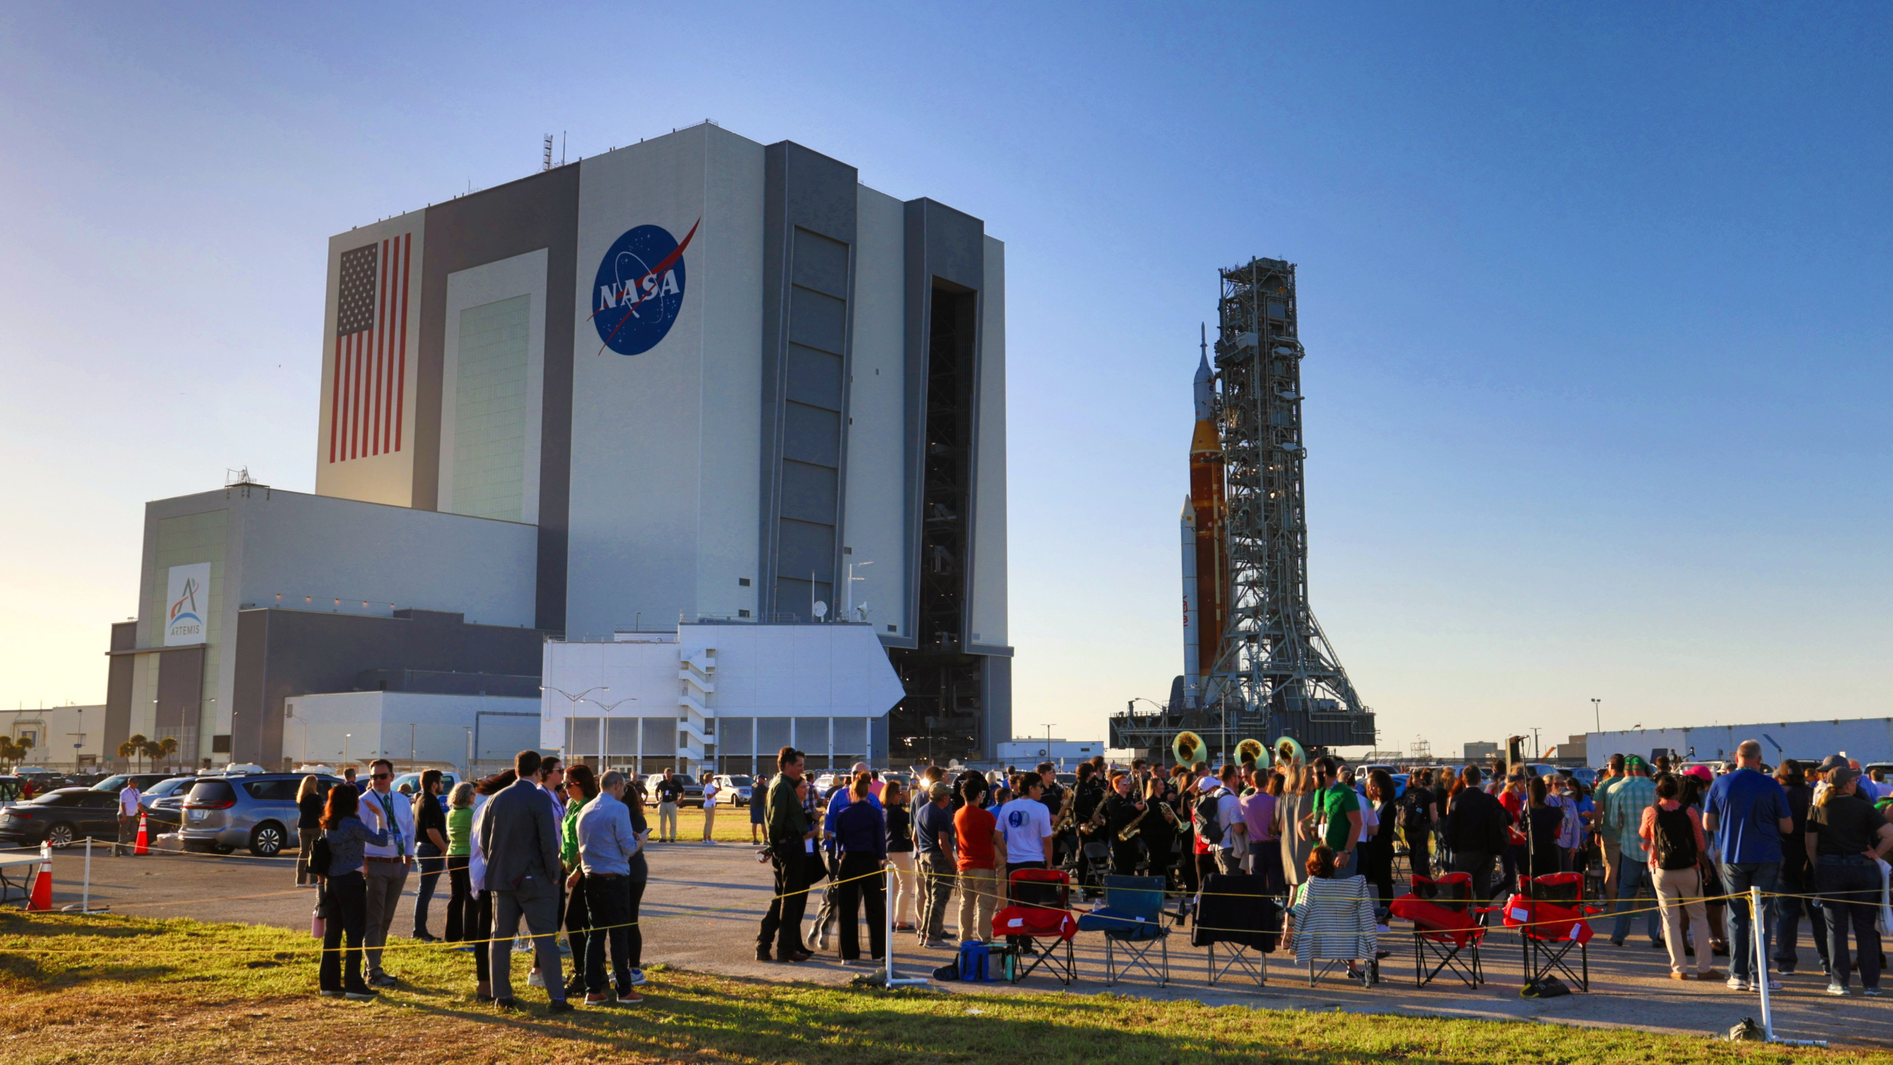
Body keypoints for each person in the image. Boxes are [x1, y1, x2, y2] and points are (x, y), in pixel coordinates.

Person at [477, 750, 572, 1012]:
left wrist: (496, 867)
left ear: (516, 769)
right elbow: (547, 840)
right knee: (545, 940)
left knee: (500, 939)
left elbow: (484, 842)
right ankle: (557, 998)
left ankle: (502, 995)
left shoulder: (495, 798)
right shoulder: (538, 797)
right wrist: (553, 874)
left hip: (501, 879)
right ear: (538, 772)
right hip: (535, 880)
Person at [1702, 739, 1793, 992]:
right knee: (1762, 917)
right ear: (1759, 760)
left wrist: (1732, 824)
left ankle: (1738, 974)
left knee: (1736, 915)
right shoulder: (1771, 784)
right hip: (1767, 855)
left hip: (1733, 855)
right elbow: (1788, 826)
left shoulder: (1720, 783)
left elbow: (1708, 824)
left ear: (1738, 758)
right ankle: (1760, 977)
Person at [1807, 765, 1893, 996]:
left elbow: (1810, 844)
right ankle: (1871, 984)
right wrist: (1876, 853)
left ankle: (1840, 982)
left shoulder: (1817, 809)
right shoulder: (1865, 808)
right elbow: (1889, 834)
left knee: (1836, 929)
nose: (1856, 784)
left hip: (1830, 868)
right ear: (1847, 784)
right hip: (1862, 869)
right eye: (1854, 781)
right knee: (1865, 928)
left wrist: (1820, 865)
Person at [575, 769, 648, 1005]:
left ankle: (593, 989)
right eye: (624, 788)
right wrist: (640, 841)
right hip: (614, 878)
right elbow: (628, 848)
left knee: (595, 935)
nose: (624, 792)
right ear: (617, 785)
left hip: (591, 877)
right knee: (619, 934)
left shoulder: (585, 809)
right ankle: (624, 989)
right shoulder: (619, 808)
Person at [1641, 773, 1719, 981]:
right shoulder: (1690, 812)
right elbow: (1700, 844)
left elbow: (1643, 835)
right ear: (1677, 792)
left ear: (1657, 792)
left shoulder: (1651, 812)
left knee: (1670, 919)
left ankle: (1679, 969)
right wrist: (1706, 867)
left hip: (1661, 869)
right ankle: (1704, 968)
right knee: (1699, 918)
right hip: (1689, 868)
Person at [315, 783, 389, 1001]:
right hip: (351, 880)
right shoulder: (352, 823)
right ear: (352, 802)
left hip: (333, 881)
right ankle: (354, 985)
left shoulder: (329, 824)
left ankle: (329, 983)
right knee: (355, 932)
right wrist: (380, 816)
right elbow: (381, 840)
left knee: (333, 934)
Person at [358, 758, 415, 989]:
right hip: (374, 865)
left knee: (386, 918)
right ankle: (373, 971)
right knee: (374, 917)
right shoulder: (364, 802)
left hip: (397, 865)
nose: (378, 781)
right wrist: (364, 864)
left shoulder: (401, 800)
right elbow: (358, 835)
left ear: (392, 777)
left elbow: (409, 831)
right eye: (374, 777)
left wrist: (407, 862)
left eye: (382, 776)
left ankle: (372, 964)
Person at [756, 747, 816, 963]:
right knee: (789, 901)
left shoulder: (782, 785)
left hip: (787, 844)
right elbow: (775, 822)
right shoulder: (782, 786)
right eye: (799, 765)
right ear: (788, 765)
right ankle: (785, 949)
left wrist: (809, 815)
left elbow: (788, 817)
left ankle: (764, 944)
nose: (802, 770)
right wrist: (773, 847)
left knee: (781, 899)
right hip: (789, 846)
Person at [1772, 760, 1828, 976]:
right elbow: (1821, 828)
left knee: (1787, 915)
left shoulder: (1777, 795)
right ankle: (1827, 961)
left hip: (1785, 862)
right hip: (1813, 861)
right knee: (1819, 915)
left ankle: (1786, 963)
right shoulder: (1812, 795)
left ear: (1781, 775)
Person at [832, 772, 889, 964]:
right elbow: (880, 840)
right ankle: (879, 952)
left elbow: (839, 841)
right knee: (876, 909)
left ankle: (848, 954)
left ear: (851, 793)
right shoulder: (875, 813)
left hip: (849, 860)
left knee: (847, 909)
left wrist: (840, 858)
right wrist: (881, 859)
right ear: (868, 792)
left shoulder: (842, 814)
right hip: (870, 860)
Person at [467, 769, 514, 1002]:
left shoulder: (483, 807)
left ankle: (487, 985)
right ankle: (486, 986)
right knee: (488, 932)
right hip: (490, 876)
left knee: (486, 931)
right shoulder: (495, 808)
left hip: (483, 875)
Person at [1607, 756, 1661, 948]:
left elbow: (1614, 822)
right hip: (1655, 849)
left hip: (1630, 848)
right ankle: (1657, 936)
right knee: (1657, 894)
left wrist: (1625, 834)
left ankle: (1619, 935)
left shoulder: (1616, 789)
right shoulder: (1655, 788)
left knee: (1626, 891)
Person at [557, 765, 599, 1000]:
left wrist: (576, 870)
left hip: (586, 871)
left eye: (568, 784)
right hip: (570, 869)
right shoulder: (571, 805)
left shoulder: (589, 807)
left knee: (573, 920)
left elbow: (589, 844)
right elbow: (566, 837)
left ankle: (583, 973)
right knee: (581, 922)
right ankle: (592, 971)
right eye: (563, 783)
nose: (564, 788)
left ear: (582, 785)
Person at [1443, 766, 1507, 901]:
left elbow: (1450, 828)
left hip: (1464, 850)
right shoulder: (1489, 800)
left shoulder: (1457, 800)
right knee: (1483, 891)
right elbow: (1508, 817)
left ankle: (1465, 920)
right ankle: (1482, 920)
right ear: (1479, 779)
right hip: (1486, 850)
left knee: (1462, 892)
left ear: (1463, 780)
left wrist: (1454, 849)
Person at [954, 777, 1001, 942]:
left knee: (966, 902)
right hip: (984, 864)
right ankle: (984, 936)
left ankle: (965, 936)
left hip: (964, 863)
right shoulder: (985, 816)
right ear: (980, 795)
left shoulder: (957, 814)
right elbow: (997, 837)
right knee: (985, 903)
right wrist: (1006, 854)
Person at [1299, 757, 1361, 879]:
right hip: (1322, 853)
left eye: (1314, 774)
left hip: (1340, 853)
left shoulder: (1345, 793)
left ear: (1324, 773)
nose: (1312, 777)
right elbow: (1319, 813)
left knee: (1341, 893)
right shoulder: (1321, 792)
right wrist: (1303, 822)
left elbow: (1357, 823)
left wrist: (1346, 852)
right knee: (1322, 894)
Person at [912, 780, 957, 947]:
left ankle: (925, 932)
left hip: (924, 855)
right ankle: (933, 937)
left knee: (930, 896)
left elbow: (914, 838)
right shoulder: (941, 814)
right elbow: (943, 841)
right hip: (939, 858)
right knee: (940, 898)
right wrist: (953, 864)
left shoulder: (921, 811)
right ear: (944, 797)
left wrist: (923, 851)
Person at [407, 769, 449, 941]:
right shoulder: (430, 801)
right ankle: (419, 931)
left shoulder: (421, 799)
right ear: (434, 784)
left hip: (424, 848)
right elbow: (431, 830)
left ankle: (420, 929)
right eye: (441, 782)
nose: (443, 785)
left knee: (425, 891)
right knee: (425, 892)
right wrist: (445, 849)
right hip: (430, 849)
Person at [1358, 769, 1398, 915]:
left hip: (1381, 849)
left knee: (1384, 883)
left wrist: (1363, 829)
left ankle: (1387, 913)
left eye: (1374, 785)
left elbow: (1383, 830)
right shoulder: (1370, 803)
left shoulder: (1389, 806)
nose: (1371, 789)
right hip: (1368, 848)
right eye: (1369, 786)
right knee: (1363, 882)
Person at [998, 773, 1055, 874]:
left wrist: (1006, 855)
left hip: (1013, 863)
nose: (1042, 790)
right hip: (1035, 860)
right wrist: (1049, 863)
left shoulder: (1007, 807)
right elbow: (1047, 840)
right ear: (1031, 788)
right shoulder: (1042, 808)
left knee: (1015, 890)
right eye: (1040, 786)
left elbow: (997, 836)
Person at [1243, 768, 1285, 896]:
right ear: (1267, 782)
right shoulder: (1277, 801)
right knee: (1275, 886)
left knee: (1257, 887)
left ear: (1253, 783)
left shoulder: (1245, 801)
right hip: (1274, 846)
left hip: (1255, 847)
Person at [883, 780, 917, 932]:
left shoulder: (887, 809)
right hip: (898, 849)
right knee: (906, 884)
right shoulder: (896, 811)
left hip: (888, 848)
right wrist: (909, 802)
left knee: (893, 887)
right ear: (893, 794)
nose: (900, 795)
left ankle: (891, 919)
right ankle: (901, 920)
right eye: (898, 793)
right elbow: (911, 818)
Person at [1595, 754, 1627, 908]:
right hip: (1629, 833)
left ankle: (1612, 908)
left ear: (1612, 767)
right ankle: (1632, 908)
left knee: (1610, 871)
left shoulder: (1603, 785)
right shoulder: (1629, 784)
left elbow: (1599, 810)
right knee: (1630, 872)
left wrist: (1597, 830)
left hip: (1609, 832)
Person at [444, 781, 475, 942]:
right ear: (468, 796)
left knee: (455, 896)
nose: (474, 796)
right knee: (471, 897)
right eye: (472, 793)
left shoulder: (451, 813)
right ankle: (470, 935)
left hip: (452, 855)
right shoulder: (471, 814)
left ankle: (452, 934)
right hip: (467, 855)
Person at [1397, 769, 1438, 882]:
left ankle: (1422, 883)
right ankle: (1419, 884)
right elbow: (1433, 817)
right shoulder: (1429, 795)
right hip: (1421, 829)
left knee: (1414, 854)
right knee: (1421, 856)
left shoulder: (1408, 793)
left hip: (1408, 829)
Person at [1524, 776, 1565, 879]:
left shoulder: (1528, 812)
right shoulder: (1555, 812)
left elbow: (1522, 828)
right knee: (1551, 884)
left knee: (1533, 883)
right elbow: (1558, 823)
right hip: (1550, 850)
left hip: (1532, 850)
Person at [294, 775, 324, 885]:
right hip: (315, 826)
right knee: (314, 853)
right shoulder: (317, 798)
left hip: (303, 826)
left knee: (303, 853)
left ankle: (300, 881)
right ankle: (314, 880)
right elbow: (321, 811)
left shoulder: (301, 797)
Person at [114, 777, 142, 857]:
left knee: (133, 833)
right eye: (134, 782)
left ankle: (117, 846)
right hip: (125, 815)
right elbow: (122, 804)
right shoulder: (124, 792)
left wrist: (143, 811)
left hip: (133, 814)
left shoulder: (137, 791)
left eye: (137, 782)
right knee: (123, 833)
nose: (136, 784)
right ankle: (122, 850)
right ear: (129, 783)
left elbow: (139, 803)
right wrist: (124, 815)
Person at [654, 768, 683, 843]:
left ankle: (672, 837)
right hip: (663, 803)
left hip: (672, 803)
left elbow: (682, 791)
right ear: (665, 774)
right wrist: (657, 800)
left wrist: (680, 800)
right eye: (667, 774)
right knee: (662, 821)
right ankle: (663, 837)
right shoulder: (662, 783)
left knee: (673, 821)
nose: (668, 775)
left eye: (670, 774)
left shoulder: (676, 783)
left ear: (672, 774)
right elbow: (656, 791)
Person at [701, 772, 720, 842]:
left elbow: (719, 789)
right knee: (710, 822)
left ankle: (705, 838)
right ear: (709, 779)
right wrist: (715, 793)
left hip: (708, 805)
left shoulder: (710, 785)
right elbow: (709, 796)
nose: (712, 778)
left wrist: (718, 782)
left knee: (707, 822)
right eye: (711, 777)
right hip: (709, 806)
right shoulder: (708, 786)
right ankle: (708, 838)